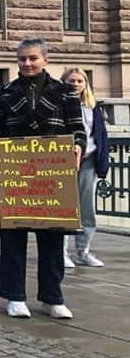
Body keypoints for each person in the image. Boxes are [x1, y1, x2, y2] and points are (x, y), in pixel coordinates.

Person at [0, 39, 85, 320]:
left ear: (45, 59)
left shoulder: (65, 93)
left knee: (52, 240)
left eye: (32, 59)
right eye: (22, 59)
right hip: (15, 177)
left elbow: (77, 129)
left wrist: (77, 145)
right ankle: (14, 296)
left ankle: (53, 297)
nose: (27, 64)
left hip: (52, 178)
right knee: (13, 241)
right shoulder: (4, 93)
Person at [61, 67, 110, 268]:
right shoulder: (59, 104)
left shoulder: (93, 106)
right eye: (71, 80)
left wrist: (102, 162)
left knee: (87, 209)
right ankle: (61, 252)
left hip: (89, 160)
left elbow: (101, 135)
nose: (75, 84)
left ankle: (83, 251)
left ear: (86, 85)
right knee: (64, 208)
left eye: (80, 81)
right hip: (64, 162)